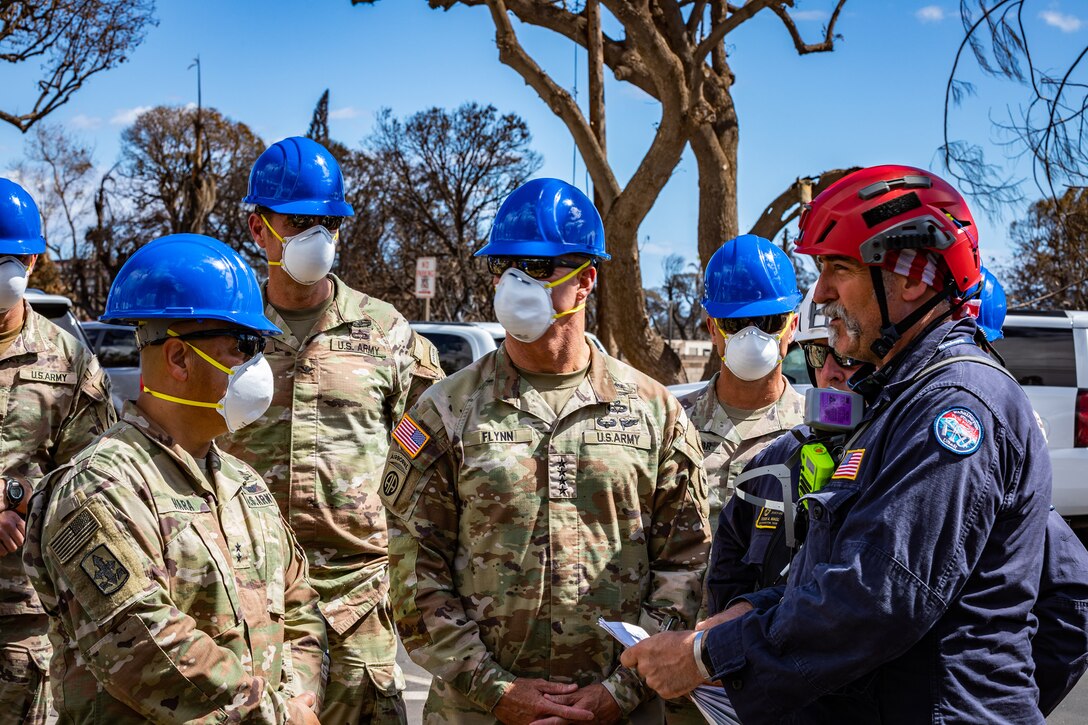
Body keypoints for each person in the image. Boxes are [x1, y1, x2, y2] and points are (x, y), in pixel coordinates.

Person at [622, 164, 1053, 722]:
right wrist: (748, 613)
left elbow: (879, 593)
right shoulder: (899, 400)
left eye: (839, 268)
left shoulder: (954, 406)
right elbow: (841, 570)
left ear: (913, 278)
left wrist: (708, 656)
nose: (821, 293)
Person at [379, 177, 710, 724]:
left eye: (537, 266)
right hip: (478, 712)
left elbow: (686, 564)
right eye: (504, 265)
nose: (514, 281)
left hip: (621, 712)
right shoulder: (444, 412)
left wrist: (621, 691)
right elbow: (414, 573)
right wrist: (495, 689)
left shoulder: (656, 413)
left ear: (586, 281)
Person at [22, 234, 326, 723]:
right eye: (244, 346)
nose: (258, 365)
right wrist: (275, 715)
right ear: (180, 358)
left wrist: (300, 697)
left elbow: (301, 605)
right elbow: (144, 647)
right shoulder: (100, 487)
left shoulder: (243, 482)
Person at [219, 136, 443, 725]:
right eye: (299, 222)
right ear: (258, 227)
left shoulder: (386, 332)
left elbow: (425, 444)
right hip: (248, 595)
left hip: (357, 600)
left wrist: (384, 506)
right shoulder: (225, 331)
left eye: (329, 223)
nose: (317, 237)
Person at [0, 178, 115, 725]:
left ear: (34, 258)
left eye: (13, 256)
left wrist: (18, 496)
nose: (4, 268)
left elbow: (94, 481)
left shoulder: (67, 361)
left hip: (24, 618)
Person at [705, 285, 861, 613]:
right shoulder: (782, 454)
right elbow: (729, 569)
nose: (831, 372)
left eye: (846, 358)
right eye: (819, 355)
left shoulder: (899, 449)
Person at [676, 235, 804, 544]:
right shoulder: (672, 424)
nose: (752, 335)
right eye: (735, 323)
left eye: (768, 321)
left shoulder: (813, 430)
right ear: (712, 329)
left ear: (793, 326)